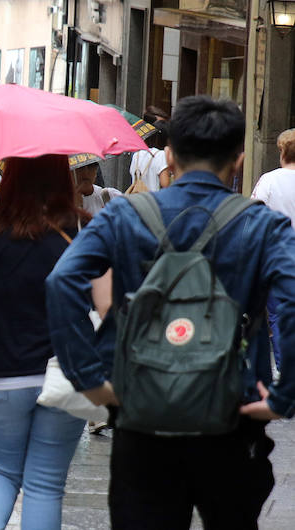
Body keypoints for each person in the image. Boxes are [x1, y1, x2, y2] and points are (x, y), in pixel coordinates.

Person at [46, 96, 295, 529]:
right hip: (231, 415)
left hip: (141, 413)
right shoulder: (262, 224)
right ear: (237, 160)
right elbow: (291, 298)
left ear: (170, 155)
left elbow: (62, 281)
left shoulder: (125, 215)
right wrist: (283, 395)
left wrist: (90, 381)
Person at [0, 155, 88, 529]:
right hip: (67, 374)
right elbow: (106, 303)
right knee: (45, 485)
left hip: (2, 374)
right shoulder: (82, 229)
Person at [251, 127, 295, 369]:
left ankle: (284, 368)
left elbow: (251, 217)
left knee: (278, 316)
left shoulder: (269, 180)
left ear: (281, 152)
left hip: (277, 257)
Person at [129, 121, 171, 191]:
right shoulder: (161, 155)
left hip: (136, 199)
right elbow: (165, 184)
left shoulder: (136, 155)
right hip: (153, 199)